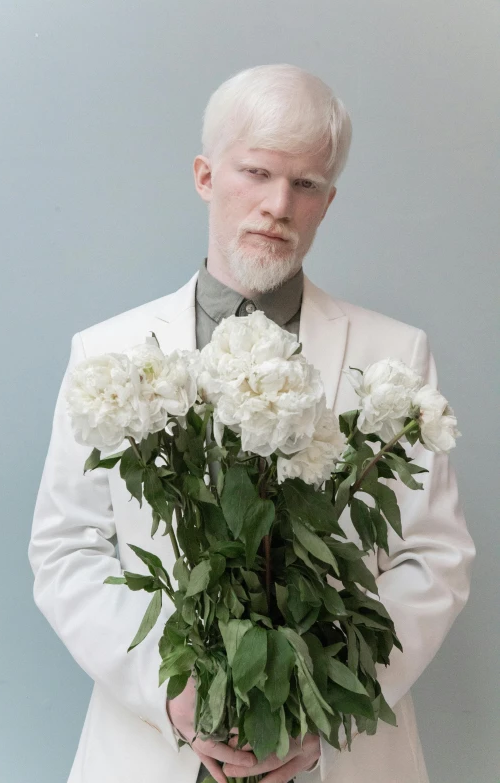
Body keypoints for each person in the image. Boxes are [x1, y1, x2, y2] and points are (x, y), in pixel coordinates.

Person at [28, 64, 476, 783]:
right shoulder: (105, 353)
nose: (277, 204)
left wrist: (324, 712)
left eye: (305, 185)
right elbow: (65, 550)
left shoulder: (396, 354)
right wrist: (168, 692)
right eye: (258, 172)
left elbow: (435, 558)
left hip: (341, 760)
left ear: (328, 202)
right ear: (206, 175)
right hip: (147, 755)